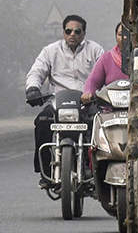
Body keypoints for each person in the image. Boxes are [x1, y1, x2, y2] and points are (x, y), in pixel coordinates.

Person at [25, 15, 104, 182]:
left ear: (84, 33)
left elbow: (103, 73)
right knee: (42, 121)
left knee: (100, 124)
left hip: (86, 101)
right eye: (68, 31)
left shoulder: (95, 50)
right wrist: (33, 88)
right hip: (57, 102)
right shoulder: (50, 51)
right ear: (63, 32)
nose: (72, 34)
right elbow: (37, 72)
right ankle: (45, 171)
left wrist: (102, 93)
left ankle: (97, 169)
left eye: (77, 31)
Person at [81, 22, 126, 104]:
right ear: (116, 37)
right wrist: (88, 92)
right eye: (120, 34)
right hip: (111, 108)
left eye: (129, 34)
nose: (125, 38)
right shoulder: (107, 58)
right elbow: (93, 80)